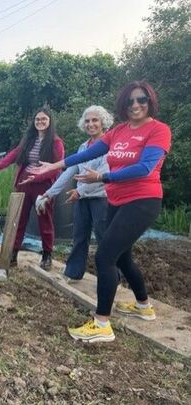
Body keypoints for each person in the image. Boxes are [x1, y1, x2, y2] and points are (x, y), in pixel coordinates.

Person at [32, 81, 171, 343]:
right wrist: (54, 166)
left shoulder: (158, 130)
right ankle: (144, 307)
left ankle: (102, 324)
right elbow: (85, 154)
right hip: (117, 201)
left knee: (105, 256)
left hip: (142, 201)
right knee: (121, 258)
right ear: (123, 105)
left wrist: (103, 177)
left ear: (150, 101)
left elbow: (145, 168)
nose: (136, 105)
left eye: (141, 100)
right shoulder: (118, 131)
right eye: (130, 101)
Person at [36, 106, 113, 283]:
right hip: (82, 199)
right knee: (79, 237)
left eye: (95, 120)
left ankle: (111, 279)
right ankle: (73, 274)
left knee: (105, 240)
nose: (90, 124)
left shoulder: (109, 145)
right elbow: (69, 172)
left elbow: (103, 174)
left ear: (103, 123)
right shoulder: (83, 147)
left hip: (102, 198)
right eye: (87, 121)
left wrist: (80, 191)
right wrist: (49, 194)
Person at [0, 107, 65, 269]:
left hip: (43, 185)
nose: (40, 122)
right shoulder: (29, 140)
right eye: (38, 119)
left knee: (45, 221)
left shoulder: (56, 142)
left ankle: (47, 255)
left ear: (50, 121)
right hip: (24, 184)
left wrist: (37, 177)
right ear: (34, 122)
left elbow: (56, 168)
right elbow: (14, 154)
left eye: (44, 119)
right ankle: (13, 254)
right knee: (19, 220)